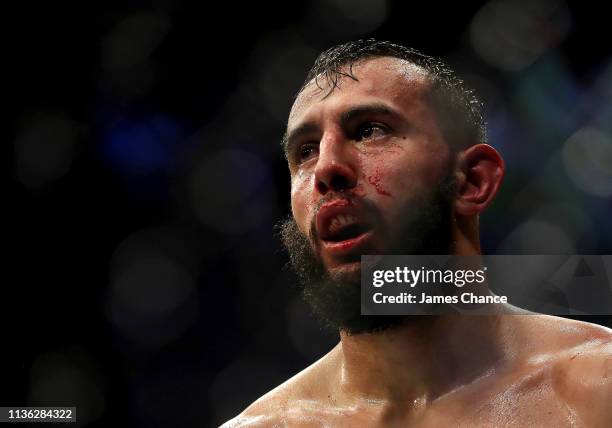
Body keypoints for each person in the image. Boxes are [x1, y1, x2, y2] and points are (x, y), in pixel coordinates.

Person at [222, 39, 611, 427]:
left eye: (369, 130)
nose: (326, 168)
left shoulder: (597, 389)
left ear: (472, 181)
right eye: (305, 151)